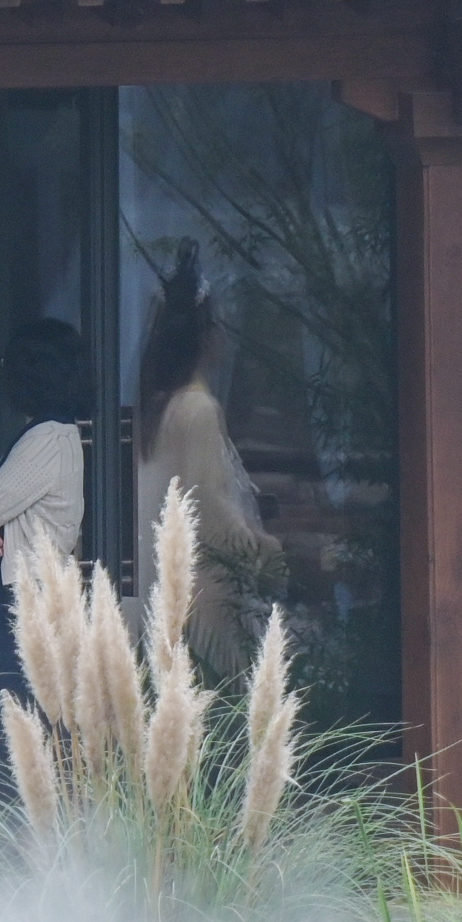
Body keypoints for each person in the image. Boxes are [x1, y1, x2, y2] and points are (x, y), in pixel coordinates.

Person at [0, 315, 95, 750]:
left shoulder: (44, 437)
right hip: (40, 588)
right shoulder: (64, 433)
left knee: (9, 724)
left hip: (20, 595)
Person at [129, 264, 275, 681]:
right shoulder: (197, 410)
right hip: (198, 580)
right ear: (208, 339)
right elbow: (207, 502)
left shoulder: (156, 406)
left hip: (157, 569)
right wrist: (264, 551)